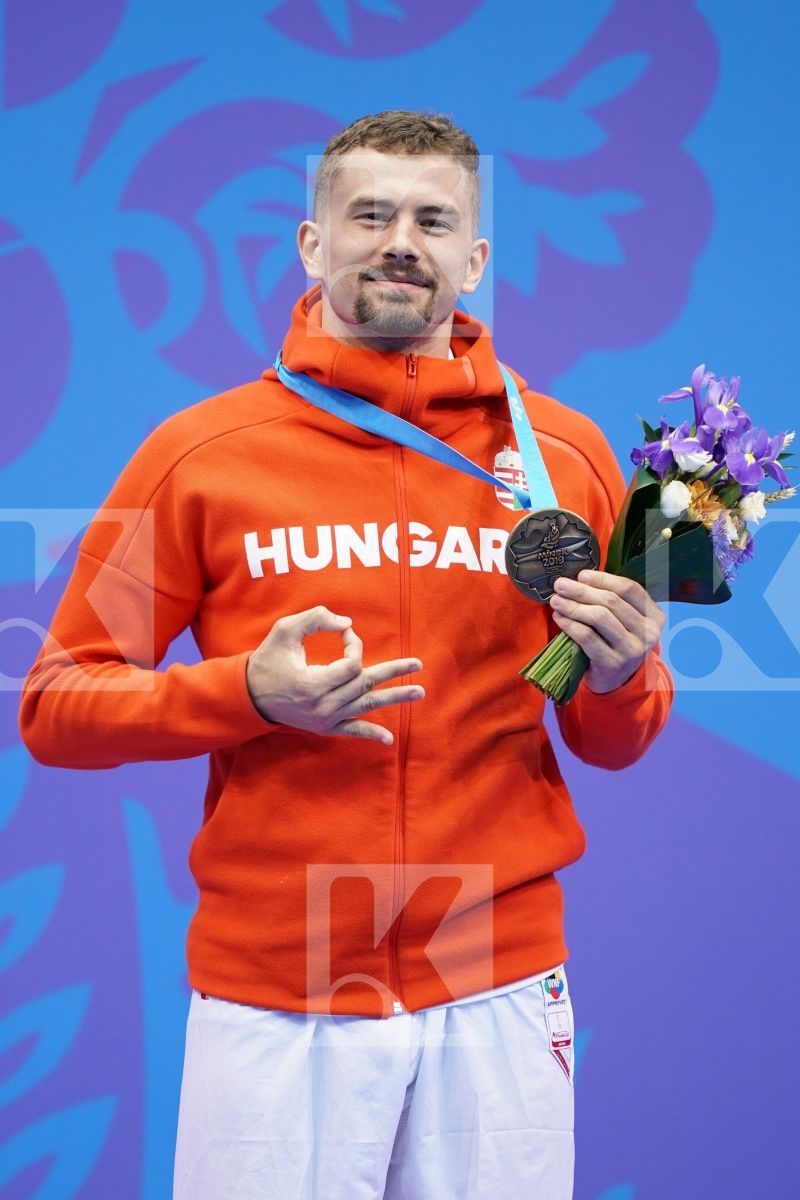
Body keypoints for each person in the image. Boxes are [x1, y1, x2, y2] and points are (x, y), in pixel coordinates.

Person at [19, 110, 672, 1199]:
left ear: (474, 259)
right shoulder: (198, 457)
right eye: (367, 214)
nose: (398, 241)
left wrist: (618, 676)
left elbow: (616, 738)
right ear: (311, 243)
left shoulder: (567, 458)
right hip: (282, 980)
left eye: (431, 219)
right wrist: (245, 693)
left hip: (493, 972)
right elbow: (57, 703)